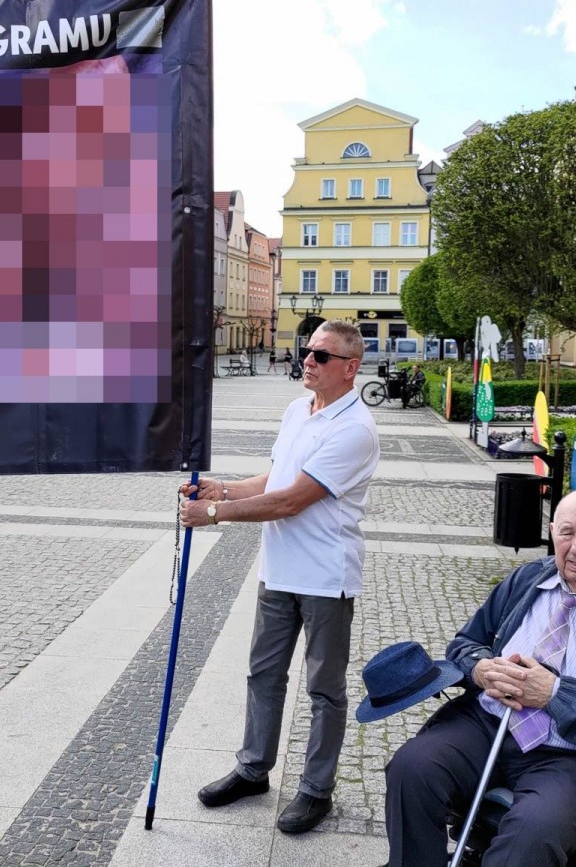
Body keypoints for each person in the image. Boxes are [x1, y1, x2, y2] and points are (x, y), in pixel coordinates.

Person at [383, 488, 576, 867]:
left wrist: (557, 693)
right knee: (411, 769)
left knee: (532, 835)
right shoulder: (528, 580)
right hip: (487, 725)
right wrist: (481, 669)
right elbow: (467, 642)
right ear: (552, 533)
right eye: (566, 533)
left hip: (572, 754)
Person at [180, 320, 381, 835]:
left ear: (351, 368)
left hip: (324, 577)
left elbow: (293, 501)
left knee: (324, 688)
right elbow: (273, 480)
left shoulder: (355, 429)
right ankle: (253, 770)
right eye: (307, 351)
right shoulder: (298, 411)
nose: (307, 361)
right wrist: (222, 491)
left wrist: (216, 518)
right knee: (263, 674)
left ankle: (316, 790)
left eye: (321, 356)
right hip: (279, 570)